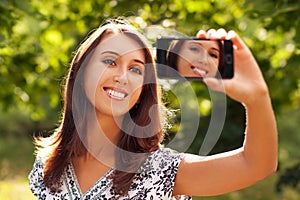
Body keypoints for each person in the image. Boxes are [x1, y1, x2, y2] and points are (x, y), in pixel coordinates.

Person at [28, 19, 278, 199]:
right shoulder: (46, 166)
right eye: (110, 61)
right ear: (81, 72)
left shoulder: (159, 171)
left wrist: (257, 98)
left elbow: (255, 165)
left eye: (136, 69)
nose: (123, 76)